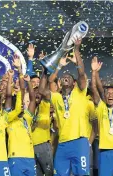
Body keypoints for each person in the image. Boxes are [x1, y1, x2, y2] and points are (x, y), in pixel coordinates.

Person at [39, 38, 90, 176]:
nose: (65, 77)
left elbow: (81, 73)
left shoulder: (79, 93)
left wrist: (77, 50)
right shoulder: (56, 97)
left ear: (74, 83)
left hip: (79, 142)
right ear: (60, 83)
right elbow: (42, 90)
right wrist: (46, 70)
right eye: (63, 77)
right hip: (62, 144)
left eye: (69, 77)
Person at [32, 71, 53, 176]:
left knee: (49, 173)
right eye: (34, 93)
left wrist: (45, 72)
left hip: (43, 145)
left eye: (38, 94)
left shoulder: (45, 105)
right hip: (30, 147)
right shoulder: (29, 109)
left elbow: (44, 88)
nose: (37, 95)